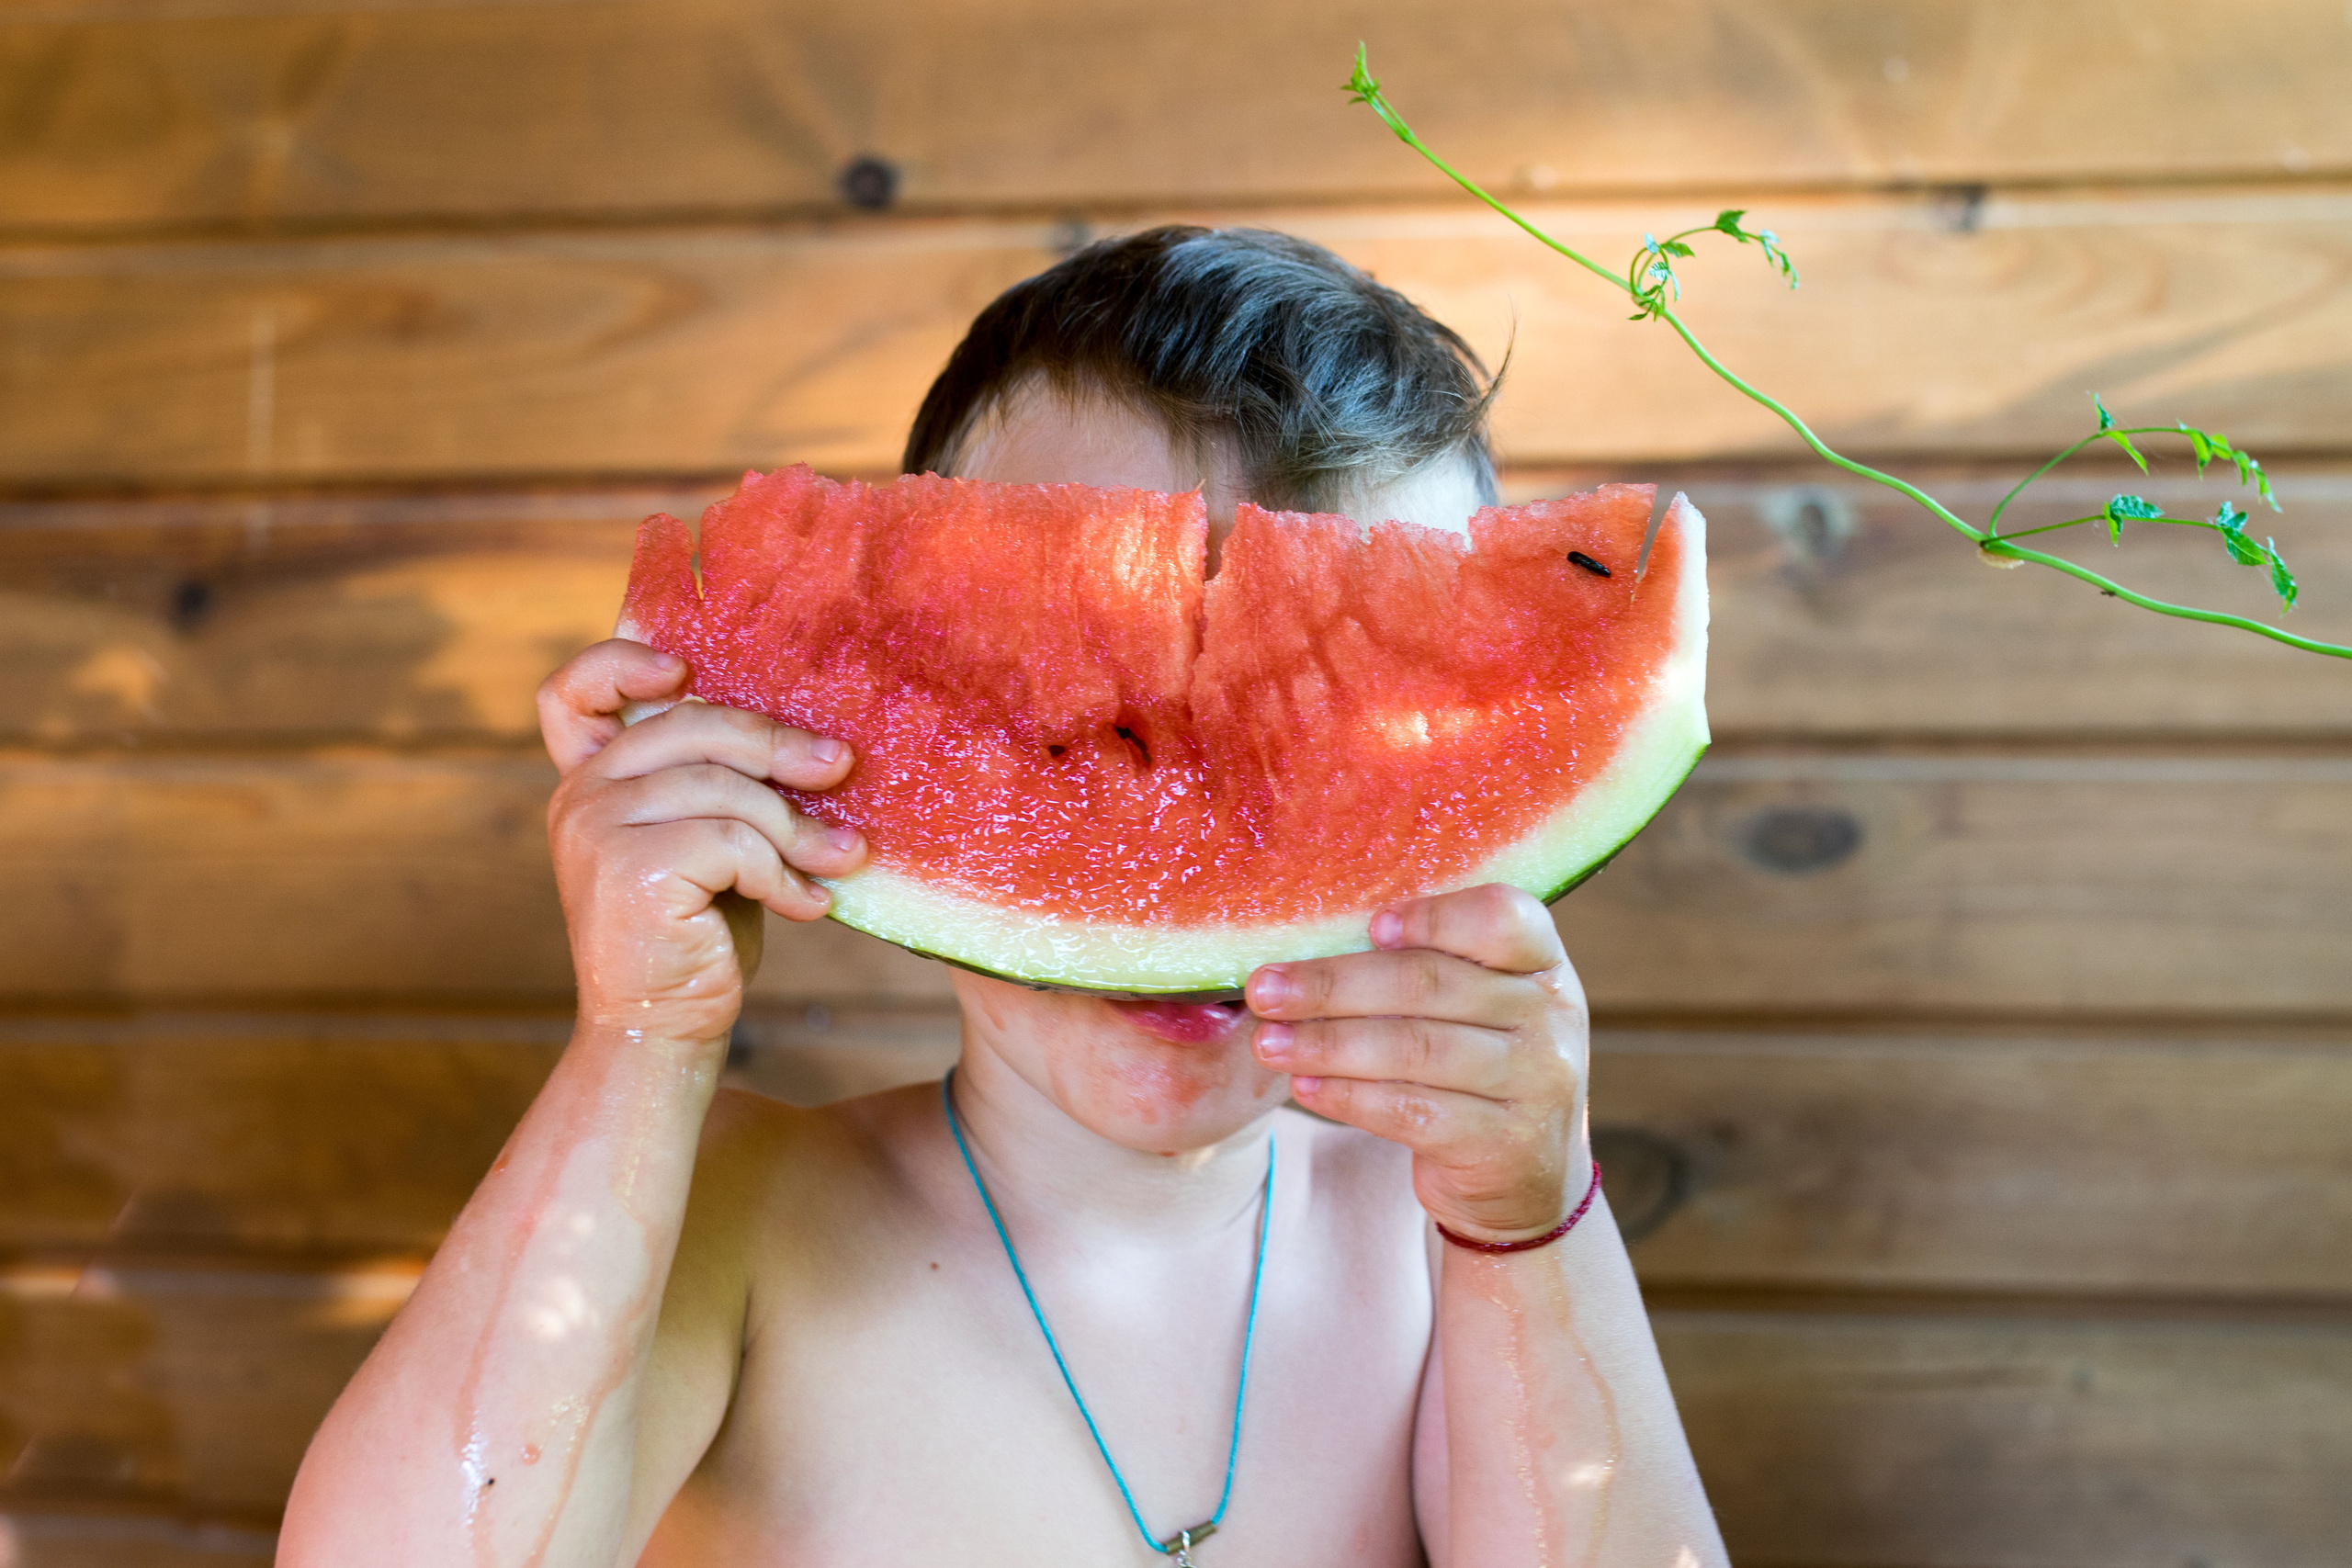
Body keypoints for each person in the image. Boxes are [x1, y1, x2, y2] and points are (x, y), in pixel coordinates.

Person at [280, 226, 1728, 1568]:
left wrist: (1530, 1225)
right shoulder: (740, 1215)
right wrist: (637, 1042)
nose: (1193, 829)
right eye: (1080, 722)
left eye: (1320, 749)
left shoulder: (1441, 1241)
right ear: (874, 695)